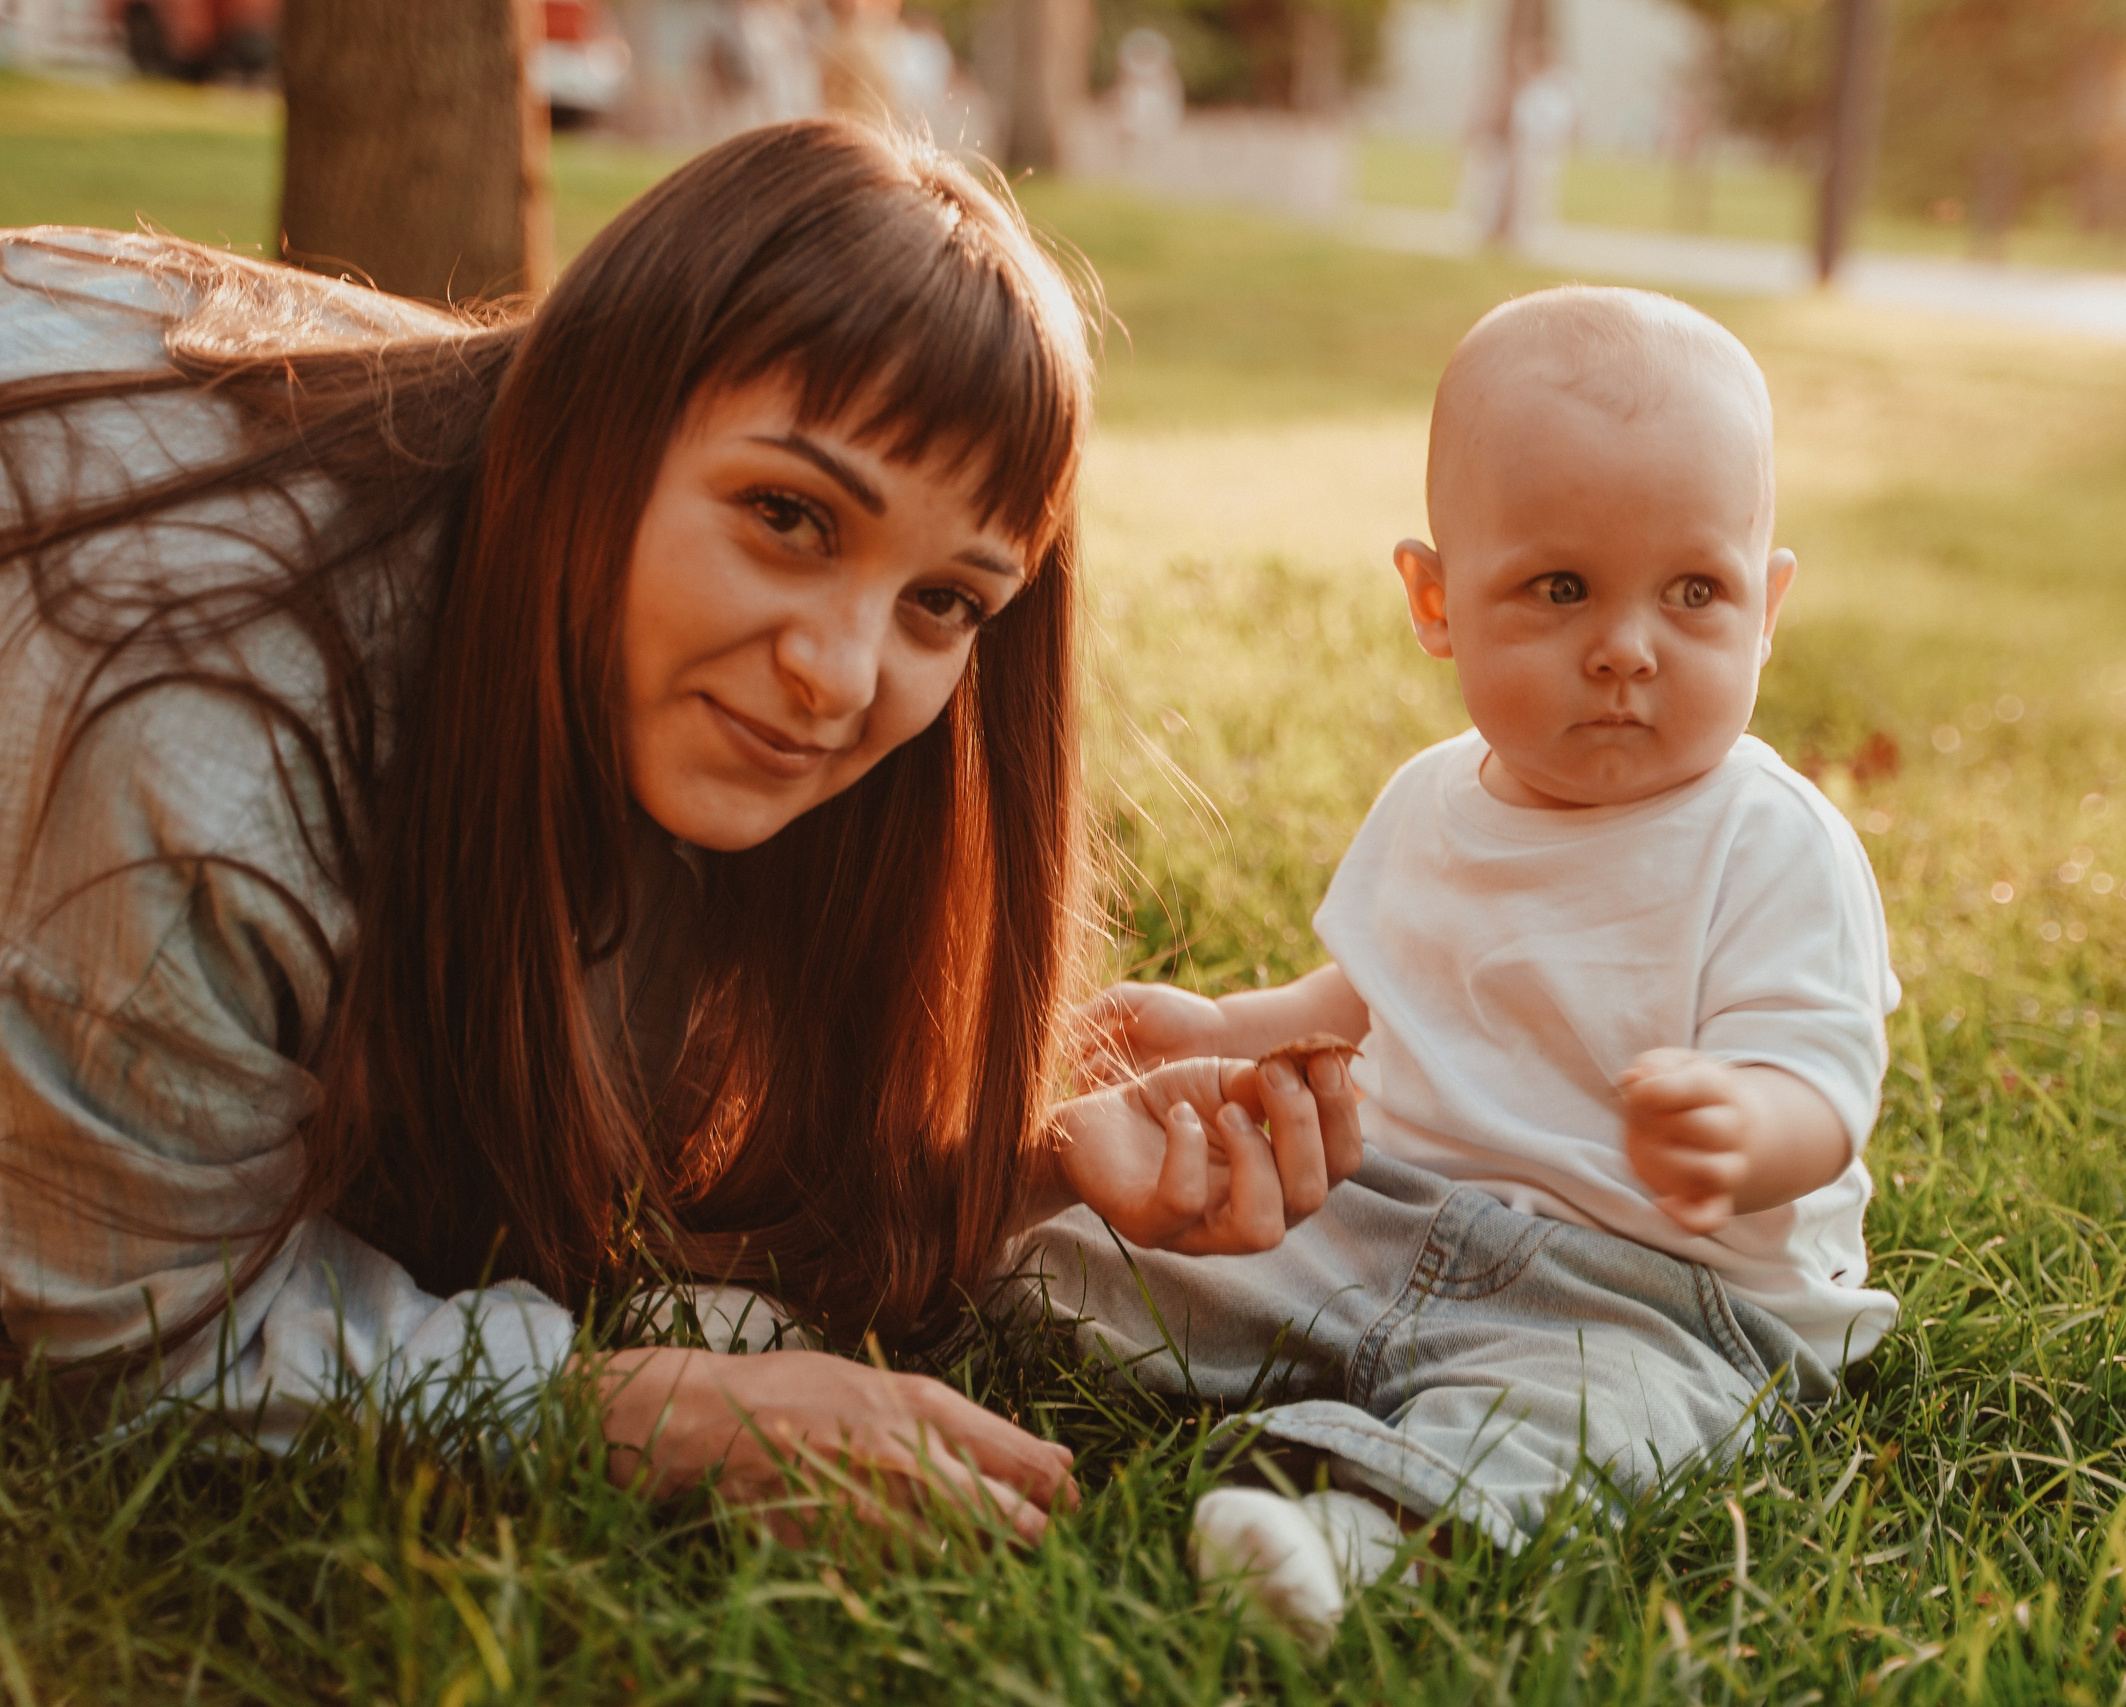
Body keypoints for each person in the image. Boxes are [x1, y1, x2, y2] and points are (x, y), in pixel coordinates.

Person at [0, 120, 1359, 1542]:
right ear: (605, 419)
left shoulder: (622, 670)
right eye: (788, 513)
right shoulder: (201, 752)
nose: (841, 676)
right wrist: (625, 1411)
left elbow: (594, 1144)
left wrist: (1019, 1163)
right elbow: (122, 1344)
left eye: (944, 601)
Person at [1024, 285, 1899, 1636]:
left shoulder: (1772, 843)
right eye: (1561, 588)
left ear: (1768, 605)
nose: (1625, 646)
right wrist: (1221, 1023)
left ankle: (1357, 1539)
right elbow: (1367, 1001)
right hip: (1383, 1218)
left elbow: (1824, 1084)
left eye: (1696, 591)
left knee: (1593, 1421)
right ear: (1435, 600)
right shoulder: (1434, 802)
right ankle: (818, 1311)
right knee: (1100, 1252)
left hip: (1655, 1294)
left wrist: (1748, 1124)